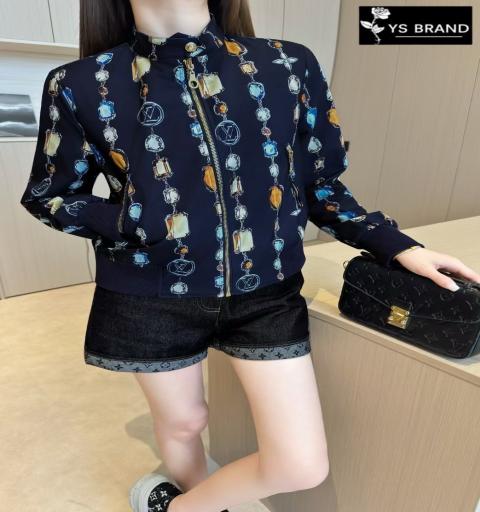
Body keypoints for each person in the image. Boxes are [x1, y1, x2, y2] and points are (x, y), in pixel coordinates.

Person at [19, 1, 480, 511]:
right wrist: (131, 219)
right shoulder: (80, 82)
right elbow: (49, 196)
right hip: (149, 295)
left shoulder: (287, 64)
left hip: (266, 294)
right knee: (185, 423)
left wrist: (398, 246)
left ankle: (177, 508)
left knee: (300, 462)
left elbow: (320, 186)